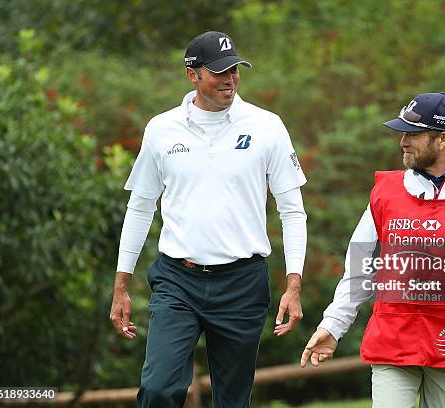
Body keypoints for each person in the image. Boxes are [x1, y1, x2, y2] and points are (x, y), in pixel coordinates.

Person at [109, 31, 307, 408]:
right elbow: (140, 206)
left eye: (234, 69)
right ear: (192, 75)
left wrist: (294, 283)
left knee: (232, 400)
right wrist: (121, 284)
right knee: (159, 390)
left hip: (242, 283)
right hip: (177, 279)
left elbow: (292, 210)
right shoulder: (161, 129)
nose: (230, 78)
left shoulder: (267, 126)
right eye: (218, 71)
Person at [301, 92, 445, 408]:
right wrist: (333, 325)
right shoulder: (386, 191)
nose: (402, 142)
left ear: (442, 139)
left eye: (412, 134)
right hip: (393, 338)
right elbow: (359, 266)